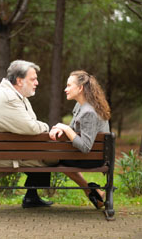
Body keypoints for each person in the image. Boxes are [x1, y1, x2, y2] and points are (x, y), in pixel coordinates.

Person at [0, 60, 57, 208]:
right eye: (33, 79)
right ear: (19, 81)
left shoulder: (15, 95)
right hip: (0, 158)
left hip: (6, 152)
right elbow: (31, 127)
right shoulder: (9, 98)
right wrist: (47, 126)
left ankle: (31, 197)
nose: (37, 83)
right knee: (52, 158)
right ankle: (31, 196)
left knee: (47, 153)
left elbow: (30, 124)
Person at [49, 70, 111, 209]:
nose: (65, 89)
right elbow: (72, 128)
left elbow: (85, 147)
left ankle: (90, 191)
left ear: (80, 88)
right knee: (56, 157)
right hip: (93, 154)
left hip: (93, 157)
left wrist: (66, 129)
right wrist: (62, 129)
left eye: (69, 85)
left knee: (54, 158)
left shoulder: (88, 112)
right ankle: (93, 192)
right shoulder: (81, 105)